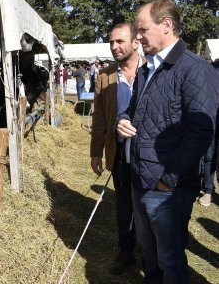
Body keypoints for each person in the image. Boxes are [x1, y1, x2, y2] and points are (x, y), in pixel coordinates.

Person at [116, 0, 219, 283]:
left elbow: (201, 133)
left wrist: (168, 180)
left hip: (168, 189)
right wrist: (122, 120)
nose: (137, 36)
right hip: (140, 179)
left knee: (170, 260)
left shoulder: (195, 70)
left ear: (166, 26)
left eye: (142, 29)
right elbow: (133, 109)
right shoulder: (147, 68)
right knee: (149, 254)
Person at [90, 23, 141, 275]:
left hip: (150, 155)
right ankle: (126, 252)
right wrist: (95, 152)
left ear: (135, 42)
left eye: (120, 41)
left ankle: (151, 252)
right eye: (111, 42)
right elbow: (99, 118)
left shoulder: (153, 70)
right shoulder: (105, 76)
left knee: (149, 206)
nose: (114, 47)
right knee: (124, 206)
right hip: (120, 153)